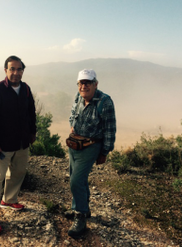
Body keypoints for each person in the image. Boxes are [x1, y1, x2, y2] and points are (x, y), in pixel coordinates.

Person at [0, 55, 37, 234]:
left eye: (19, 69)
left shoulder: (26, 89)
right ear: (5, 70)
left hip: (22, 141)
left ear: (23, 70)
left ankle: (8, 200)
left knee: (19, 171)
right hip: (4, 143)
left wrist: (32, 132)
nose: (15, 72)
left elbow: (31, 112)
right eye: (11, 69)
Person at [66, 69, 116, 237]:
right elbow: (73, 113)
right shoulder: (78, 96)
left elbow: (110, 129)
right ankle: (82, 209)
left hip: (92, 145)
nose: (84, 86)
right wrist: (72, 123)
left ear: (96, 84)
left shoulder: (105, 102)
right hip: (75, 143)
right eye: (81, 83)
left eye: (88, 82)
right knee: (77, 178)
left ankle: (80, 216)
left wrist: (104, 152)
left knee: (76, 180)